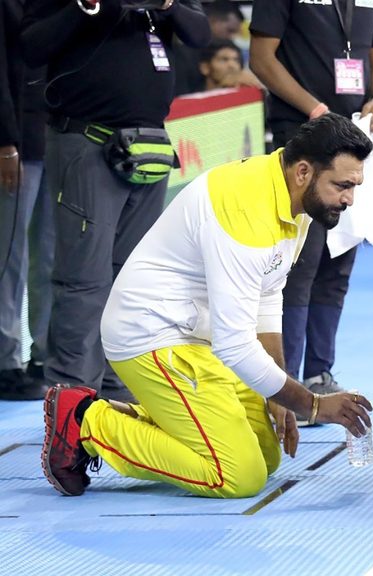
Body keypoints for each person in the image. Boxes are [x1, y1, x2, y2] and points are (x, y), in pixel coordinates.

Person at [41, 114, 373, 498]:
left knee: (265, 456)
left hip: (199, 337)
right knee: (237, 474)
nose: (349, 199)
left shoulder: (291, 195)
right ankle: (87, 422)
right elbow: (235, 345)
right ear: (303, 171)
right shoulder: (246, 210)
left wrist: (278, 391)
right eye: (343, 186)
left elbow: (267, 296)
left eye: (354, 186)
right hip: (152, 334)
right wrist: (312, 405)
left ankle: (138, 416)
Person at [22, 0, 211, 403]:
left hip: (149, 145)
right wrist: (86, 7)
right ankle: (72, 401)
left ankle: (119, 388)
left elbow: (200, 33)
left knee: (134, 279)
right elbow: (32, 47)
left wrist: (167, 4)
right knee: (84, 280)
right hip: (86, 141)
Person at [250, 0, 373, 402]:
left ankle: (318, 373)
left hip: (353, 136)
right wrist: (312, 108)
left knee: (340, 257)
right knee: (300, 261)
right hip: (302, 135)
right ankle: (286, 383)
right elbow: (261, 59)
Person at [0, 0, 53, 400]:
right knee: (9, 258)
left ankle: (45, 356)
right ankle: (5, 361)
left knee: (51, 259)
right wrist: (5, 141)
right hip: (16, 141)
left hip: (60, 136)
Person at [173, 0, 248, 96]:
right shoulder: (182, 56)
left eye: (235, 60)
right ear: (212, 21)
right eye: (230, 30)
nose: (232, 37)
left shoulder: (235, 51)